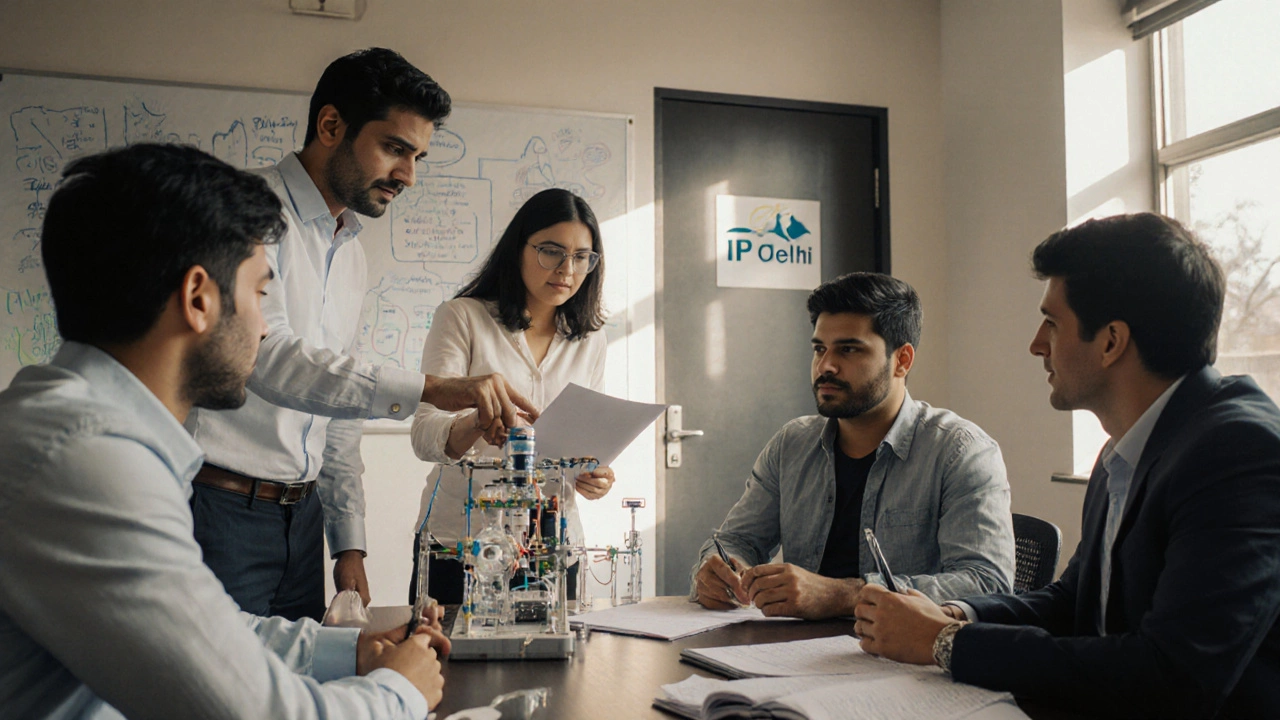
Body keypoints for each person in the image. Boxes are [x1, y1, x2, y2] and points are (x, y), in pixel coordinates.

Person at [0, 143, 450, 718]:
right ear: (197, 299)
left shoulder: (85, 429)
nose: (265, 326)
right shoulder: (84, 460)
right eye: (261, 294)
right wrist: (402, 690)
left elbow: (200, 629)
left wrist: (350, 651)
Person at [855, 213, 1280, 718]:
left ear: (1111, 342)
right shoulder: (1126, 447)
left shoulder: (1238, 451)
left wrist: (945, 642)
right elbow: (1074, 601)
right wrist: (952, 614)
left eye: (1052, 323)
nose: (1037, 344)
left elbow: (1173, 674)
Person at [186, 48, 536, 622]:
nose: (409, 175)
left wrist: (348, 542)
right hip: (219, 507)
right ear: (331, 126)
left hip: (303, 522)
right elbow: (261, 357)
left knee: (297, 695)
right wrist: (430, 388)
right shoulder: (242, 211)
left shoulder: (349, 252)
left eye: (418, 156)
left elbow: (336, 412)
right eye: (395, 149)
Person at [692, 272, 1015, 619]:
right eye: (819, 348)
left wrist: (843, 595)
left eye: (848, 349)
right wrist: (721, 571)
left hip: (901, 659)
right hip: (789, 656)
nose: (825, 366)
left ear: (902, 360)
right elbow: (738, 540)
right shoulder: (792, 444)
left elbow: (987, 584)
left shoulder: (960, 452)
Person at [409, 187, 615, 602]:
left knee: (555, 665)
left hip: (551, 546)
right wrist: (476, 422)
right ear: (517, 248)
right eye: (551, 251)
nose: (567, 269)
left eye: (581, 257)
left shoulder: (590, 341)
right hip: (462, 543)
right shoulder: (463, 318)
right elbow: (424, 436)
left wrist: (594, 476)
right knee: (447, 664)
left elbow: (582, 443)